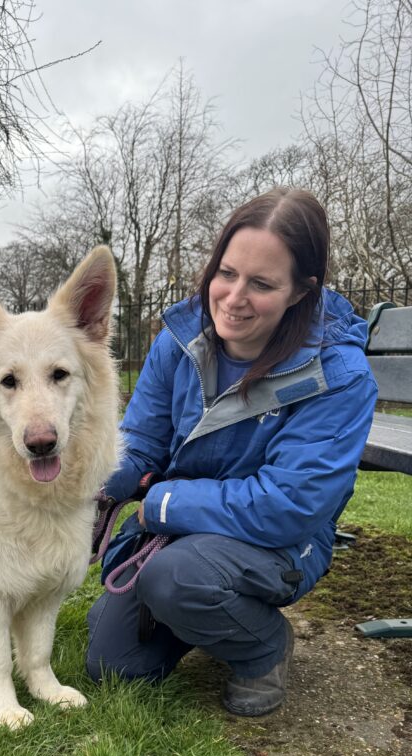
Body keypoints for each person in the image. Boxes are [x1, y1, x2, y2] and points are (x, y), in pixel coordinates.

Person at [86, 188, 378, 716]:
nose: (233, 297)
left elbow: (288, 505)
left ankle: (262, 646)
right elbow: (144, 443)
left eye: (261, 284)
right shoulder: (177, 339)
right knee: (116, 666)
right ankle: (199, 610)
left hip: (281, 545)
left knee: (175, 578)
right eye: (226, 273)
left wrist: (162, 504)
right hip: (183, 536)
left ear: (300, 291)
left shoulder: (338, 376)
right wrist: (102, 481)